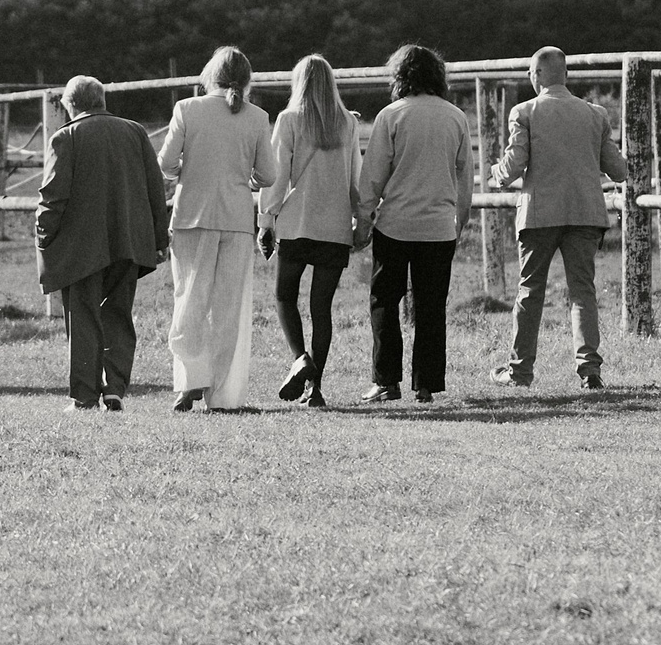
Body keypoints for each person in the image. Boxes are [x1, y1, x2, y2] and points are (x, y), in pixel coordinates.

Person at [491, 45, 630, 391]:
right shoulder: (595, 114)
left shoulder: (524, 112)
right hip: (585, 213)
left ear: (537, 75)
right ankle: (589, 369)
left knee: (530, 291)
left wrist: (494, 173)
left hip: (540, 215)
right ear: (565, 74)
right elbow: (619, 170)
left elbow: (512, 169)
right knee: (582, 291)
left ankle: (520, 370)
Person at [35, 75, 171, 411]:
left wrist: (43, 235)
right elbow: (156, 188)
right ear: (102, 100)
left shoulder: (65, 138)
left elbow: (54, 197)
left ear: (71, 105)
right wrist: (158, 236)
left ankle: (83, 395)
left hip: (82, 246)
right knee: (119, 314)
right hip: (129, 241)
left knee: (82, 317)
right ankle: (116, 388)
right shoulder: (135, 132)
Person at [159, 47, 279, 412]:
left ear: (209, 74)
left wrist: (188, 174)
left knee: (190, 301)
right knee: (229, 310)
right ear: (246, 80)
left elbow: (165, 163)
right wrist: (247, 177)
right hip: (236, 219)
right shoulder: (257, 117)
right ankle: (223, 395)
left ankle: (190, 380)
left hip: (192, 216)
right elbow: (269, 176)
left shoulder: (187, 109)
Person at [354, 44, 473, 403]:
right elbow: (465, 175)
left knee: (385, 302)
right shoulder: (455, 117)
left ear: (400, 77)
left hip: (396, 225)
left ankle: (386, 380)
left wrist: (364, 216)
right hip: (438, 227)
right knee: (431, 307)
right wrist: (460, 221)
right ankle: (426, 382)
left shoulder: (392, 116)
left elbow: (373, 175)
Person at [257, 55, 361, 409]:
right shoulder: (347, 122)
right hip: (335, 226)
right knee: (322, 308)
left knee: (285, 296)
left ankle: (299, 357)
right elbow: (355, 178)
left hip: (297, 222)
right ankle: (316, 389)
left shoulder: (289, 120)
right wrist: (361, 218)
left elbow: (276, 176)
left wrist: (266, 220)